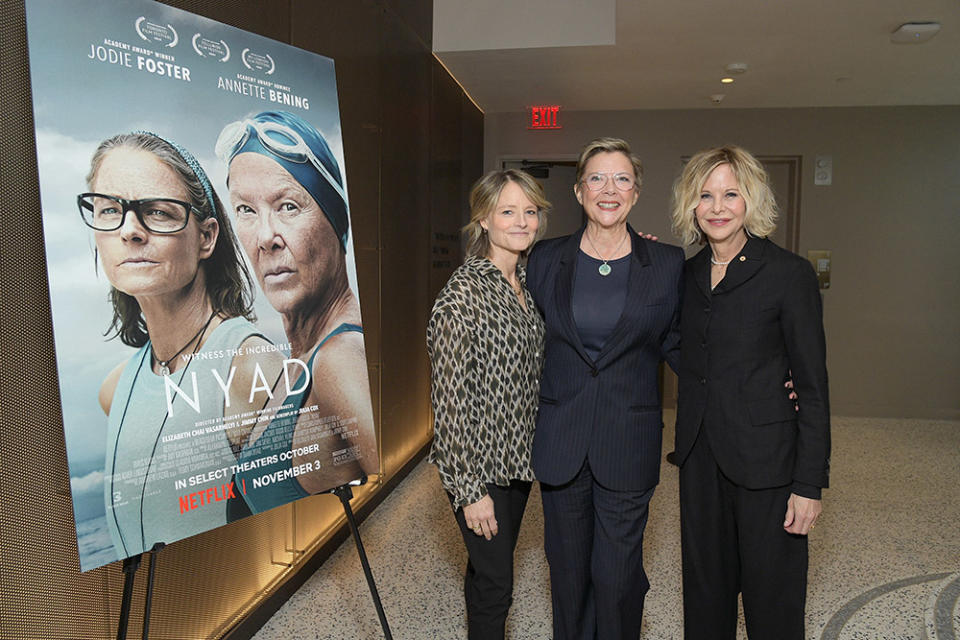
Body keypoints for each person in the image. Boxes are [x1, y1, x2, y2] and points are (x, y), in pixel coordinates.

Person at [84, 131, 283, 559]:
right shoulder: (115, 389)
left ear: (206, 237)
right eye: (109, 210)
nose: (130, 231)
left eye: (157, 212)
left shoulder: (248, 366)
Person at [525, 137, 683, 639]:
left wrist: (766, 377)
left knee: (616, 579)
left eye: (621, 179)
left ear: (636, 193)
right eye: (596, 178)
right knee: (568, 579)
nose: (608, 189)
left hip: (627, 442)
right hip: (561, 442)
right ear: (578, 190)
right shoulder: (544, 260)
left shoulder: (667, 265)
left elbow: (689, 346)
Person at [670, 145, 830, 639]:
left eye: (730, 194)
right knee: (704, 597)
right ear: (691, 206)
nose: (718, 207)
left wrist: (809, 484)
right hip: (700, 460)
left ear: (751, 201)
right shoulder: (686, 274)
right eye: (706, 195)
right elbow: (685, 351)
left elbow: (813, 385)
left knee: (773, 602)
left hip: (768, 464)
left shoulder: (788, 273)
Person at [217, 111, 378, 514]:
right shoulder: (299, 359)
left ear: (336, 222)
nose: (265, 237)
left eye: (288, 206)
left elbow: (399, 506)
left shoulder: (338, 359)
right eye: (246, 211)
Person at [427, 169, 550, 639]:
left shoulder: (524, 284)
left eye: (530, 211)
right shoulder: (461, 298)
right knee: (498, 583)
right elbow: (450, 406)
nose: (522, 221)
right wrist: (469, 491)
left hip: (516, 463)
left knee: (485, 574)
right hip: (478, 470)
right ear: (483, 219)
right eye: (508, 211)